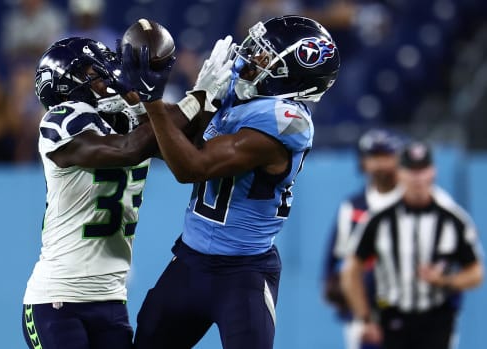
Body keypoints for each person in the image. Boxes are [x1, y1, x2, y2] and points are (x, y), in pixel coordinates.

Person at [120, 16, 340, 348]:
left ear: (291, 73)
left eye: (264, 56)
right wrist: (192, 98)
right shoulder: (240, 98)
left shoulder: (286, 121)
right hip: (190, 261)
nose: (249, 58)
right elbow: (174, 145)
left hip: (243, 273)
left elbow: (190, 166)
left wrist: (155, 103)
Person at [21, 35, 211, 349]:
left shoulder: (121, 119)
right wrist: (198, 98)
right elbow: (127, 149)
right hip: (57, 300)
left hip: (110, 300)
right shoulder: (60, 122)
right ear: (68, 84)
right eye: (95, 74)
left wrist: (213, 97)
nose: (108, 80)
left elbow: (188, 145)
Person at [341, 141, 484, 349]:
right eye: (411, 170)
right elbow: (351, 270)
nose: (418, 178)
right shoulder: (379, 219)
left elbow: (476, 272)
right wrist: (364, 317)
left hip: (437, 319)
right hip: (392, 317)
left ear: (433, 172)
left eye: (422, 170)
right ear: (400, 173)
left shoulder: (453, 219)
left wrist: (445, 280)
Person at [322, 128, 403, 349]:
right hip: (363, 313)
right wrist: (337, 290)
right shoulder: (353, 206)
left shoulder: (411, 204)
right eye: (374, 157)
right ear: (363, 162)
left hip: (408, 311)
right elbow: (334, 259)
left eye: (385, 156)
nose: (380, 164)